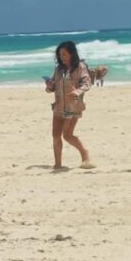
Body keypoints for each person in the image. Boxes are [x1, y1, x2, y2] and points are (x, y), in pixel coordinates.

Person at [45, 41, 95, 170]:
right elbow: (53, 86)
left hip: (73, 106)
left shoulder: (80, 67)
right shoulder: (58, 69)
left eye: (64, 54)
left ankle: (85, 154)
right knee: (55, 136)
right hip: (58, 106)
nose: (62, 57)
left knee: (67, 135)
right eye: (60, 55)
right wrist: (50, 86)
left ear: (72, 54)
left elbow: (87, 83)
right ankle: (58, 164)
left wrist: (77, 91)